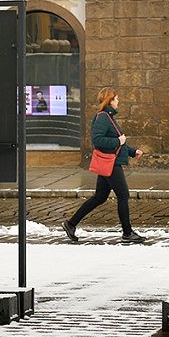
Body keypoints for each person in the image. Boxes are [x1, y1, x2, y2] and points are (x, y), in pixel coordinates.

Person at [63, 87, 146, 244]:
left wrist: (133, 151)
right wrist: (118, 141)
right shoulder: (102, 117)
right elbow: (98, 140)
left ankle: (70, 223)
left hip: (110, 162)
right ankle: (127, 233)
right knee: (123, 195)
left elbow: (119, 144)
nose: (118, 101)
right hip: (111, 164)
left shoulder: (109, 117)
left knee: (100, 197)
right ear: (110, 100)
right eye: (116, 98)